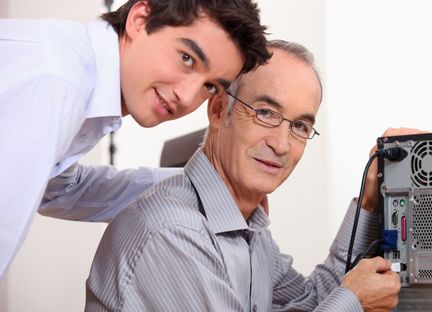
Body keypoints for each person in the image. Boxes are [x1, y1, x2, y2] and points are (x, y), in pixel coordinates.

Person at [78, 40, 411, 312]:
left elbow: (314, 304)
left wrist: (368, 202)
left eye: (299, 126)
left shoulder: (247, 232)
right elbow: (337, 307)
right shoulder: (173, 230)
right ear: (219, 109)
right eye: (265, 113)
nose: (281, 145)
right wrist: (352, 302)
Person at [0, 0, 271, 278]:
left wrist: (200, 188)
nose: (188, 97)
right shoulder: (59, 83)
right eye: (187, 58)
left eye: (210, 86)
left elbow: (58, 190)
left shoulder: (77, 73)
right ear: (139, 20)